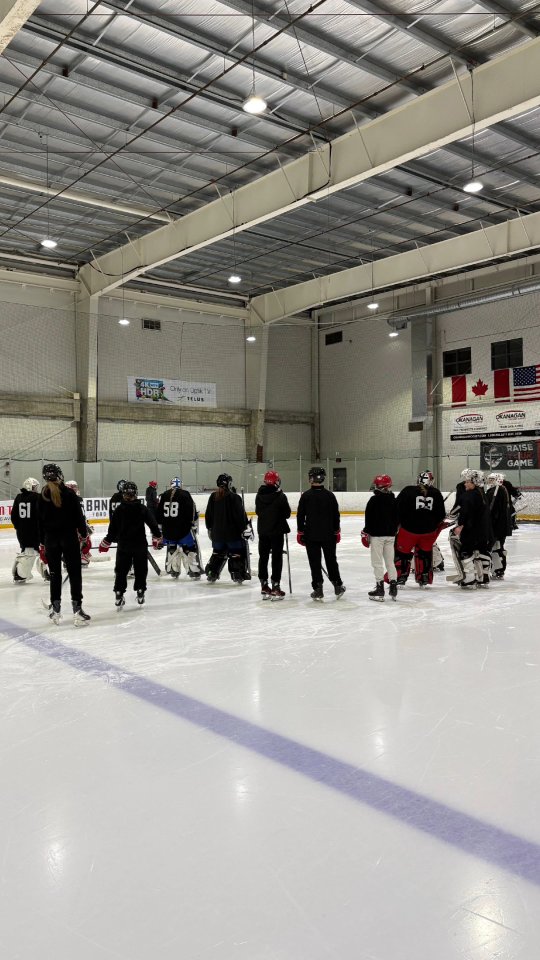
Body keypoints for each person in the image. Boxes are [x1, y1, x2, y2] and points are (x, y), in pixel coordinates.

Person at [37, 463, 91, 625]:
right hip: (68, 539)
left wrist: (42, 542)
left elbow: (39, 522)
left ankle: (56, 609)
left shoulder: (42, 496)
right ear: (59, 475)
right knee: (75, 574)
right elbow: (78, 518)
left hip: (51, 540)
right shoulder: (69, 494)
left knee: (55, 575)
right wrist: (83, 533)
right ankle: (77, 610)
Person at [99, 481, 162, 606]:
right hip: (140, 545)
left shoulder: (118, 510)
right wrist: (157, 538)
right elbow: (153, 525)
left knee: (121, 571)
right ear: (136, 493)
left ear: (123, 494)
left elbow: (112, 531)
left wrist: (106, 542)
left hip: (124, 546)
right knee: (141, 570)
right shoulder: (142, 508)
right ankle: (140, 591)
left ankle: (118, 593)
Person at [297, 466, 345, 601]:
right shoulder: (330, 495)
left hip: (311, 536)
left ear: (311, 478)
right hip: (328, 535)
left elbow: (301, 516)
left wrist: (301, 532)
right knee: (331, 560)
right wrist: (336, 531)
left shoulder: (305, 496)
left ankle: (318, 589)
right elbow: (336, 516)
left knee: (314, 562)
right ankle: (337, 585)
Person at [394, 470, 446, 586]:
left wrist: (399, 524)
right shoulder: (436, 493)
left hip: (408, 531)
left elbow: (397, 509)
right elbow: (441, 515)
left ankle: (400, 577)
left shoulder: (408, 491)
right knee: (425, 554)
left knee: (402, 554)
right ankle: (424, 577)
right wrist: (431, 524)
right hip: (428, 533)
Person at [204, 474, 252, 584]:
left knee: (217, 553)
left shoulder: (213, 497)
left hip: (217, 536)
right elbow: (240, 517)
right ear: (229, 484)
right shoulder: (235, 498)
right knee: (237, 554)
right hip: (233, 536)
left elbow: (208, 516)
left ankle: (212, 573)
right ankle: (237, 575)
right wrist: (244, 528)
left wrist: (210, 529)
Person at [449, 469, 492, 588]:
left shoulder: (468, 495)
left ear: (475, 482)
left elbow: (464, 513)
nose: (465, 484)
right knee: (483, 550)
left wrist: (460, 525)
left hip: (471, 530)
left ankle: (470, 578)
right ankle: (484, 576)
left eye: (467, 481)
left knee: (465, 551)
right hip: (484, 530)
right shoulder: (482, 494)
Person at [156, 477, 203, 579]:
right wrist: (193, 521)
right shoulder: (185, 494)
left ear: (171, 484)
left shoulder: (164, 495)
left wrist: (160, 530)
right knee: (190, 547)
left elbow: (158, 514)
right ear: (180, 484)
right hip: (183, 530)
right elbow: (192, 511)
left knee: (171, 547)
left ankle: (173, 570)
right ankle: (193, 571)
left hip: (168, 530)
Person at [255, 470, 291, 600]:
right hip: (276, 531)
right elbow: (287, 513)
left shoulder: (259, 495)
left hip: (263, 531)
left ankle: (264, 585)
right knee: (276, 557)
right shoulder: (280, 496)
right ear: (275, 481)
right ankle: (275, 585)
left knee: (263, 557)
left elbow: (258, 511)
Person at [362, 474, 398, 602]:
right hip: (390, 536)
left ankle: (380, 588)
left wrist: (365, 532)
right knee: (390, 562)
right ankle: (393, 586)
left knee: (377, 563)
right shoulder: (394, 500)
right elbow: (398, 519)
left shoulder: (373, 501)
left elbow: (369, 520)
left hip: (377, 536)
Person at [11, 477, 41, 583]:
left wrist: (18, 527)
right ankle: (20, 574)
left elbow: (13, 515)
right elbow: (40, 515)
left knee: (27, 551)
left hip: (21, 532)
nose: (36, 489)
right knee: (32, 552)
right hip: (34, 531)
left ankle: (20, 574)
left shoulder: (18, 497)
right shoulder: (37, 497)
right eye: (35, 487)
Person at [485, 472, 512, 578]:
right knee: (498, 546)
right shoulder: (501, 490)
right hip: (501, 525)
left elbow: (492, 510)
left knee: (496, 547)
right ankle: (498, 569)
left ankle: (498, 569)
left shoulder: (497, 490)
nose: (489, 481)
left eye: (492, 479)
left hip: (497, 526)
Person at [65, 480, 93, 565]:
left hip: (78, 523)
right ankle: (75, 557)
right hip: (73, 525)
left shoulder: (78, 498)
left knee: (86, 539)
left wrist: (85, 522)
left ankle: (80, 555)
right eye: (73, 487)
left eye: (75, 486)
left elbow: (81, 512)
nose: (75, 488)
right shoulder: (69, 499)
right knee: (80, 541)